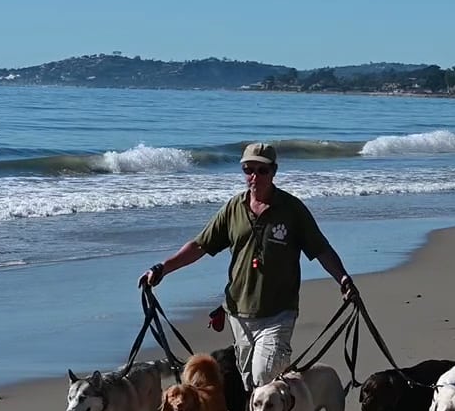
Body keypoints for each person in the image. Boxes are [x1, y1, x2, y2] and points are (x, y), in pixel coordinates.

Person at [141, 142, 355, 394]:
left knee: (264, 376)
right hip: (239, 312)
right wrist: (162, 268)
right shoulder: (234, 208)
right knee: (249, 383)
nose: (254, 176)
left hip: (279, 312)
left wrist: (343, 279)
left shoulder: (292, 209)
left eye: (261, 170)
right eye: (248, 169)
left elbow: (322, 249)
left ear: (274, 171)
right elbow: (200, 246)